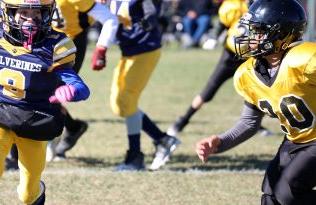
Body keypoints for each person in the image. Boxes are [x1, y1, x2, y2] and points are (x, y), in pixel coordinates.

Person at [0, 0, 90, 204]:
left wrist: (72, 91)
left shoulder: (56, 45)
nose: (30, 18)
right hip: (0, 112)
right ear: (8, 12)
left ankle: (38, 191)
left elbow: (83, 89)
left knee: (27, 194)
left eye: (36, 12)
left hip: (35, 119)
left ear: (47, 13)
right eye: (23, 11)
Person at [195, 0, 316, 204]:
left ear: (282, 33)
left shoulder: (305, 60)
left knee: (288, 193)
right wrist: (220, 142)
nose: (249, 37)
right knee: (270, 193)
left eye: (257, 31)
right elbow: (249, 123)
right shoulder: (248, 73)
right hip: (296, 140)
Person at [4, 0, 119, 166]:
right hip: (38, 41)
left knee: (39, 94)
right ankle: (73, 127)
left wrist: (101, 48)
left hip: (67, 45)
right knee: (33, 92)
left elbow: (109, 19)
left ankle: (15, 156)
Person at [167, 0, 273, 138]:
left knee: (253, 92)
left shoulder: (262, 8)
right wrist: (213, 37)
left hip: (251, 58)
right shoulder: (232, 6)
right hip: (230, 55)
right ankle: (182, 121)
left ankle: (256, 125)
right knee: (209, 89)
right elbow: (221, 25)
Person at [107, 0, 181, 171]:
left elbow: (151, 11)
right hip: (128, 53)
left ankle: (135, 157)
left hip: (145, 50)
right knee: (119, 106)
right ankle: (163, 139)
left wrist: (148, 21)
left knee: (126, 100)